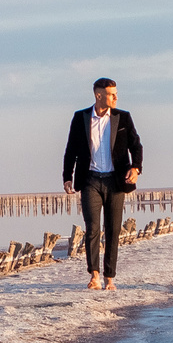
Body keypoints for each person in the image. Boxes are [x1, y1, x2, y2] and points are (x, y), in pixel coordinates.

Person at [61, 77, 142, 290]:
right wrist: (67, 176)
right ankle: (94, 276)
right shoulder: (81, 118)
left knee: (114, 230)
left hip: (116, 181)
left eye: (116, 93)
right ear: (99, 95)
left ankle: (110, 278)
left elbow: (136, 145)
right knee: (93, 228)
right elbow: (70, 149)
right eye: (111, 93)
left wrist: (136, 168)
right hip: (90, 180)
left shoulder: (123, 117)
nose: (116, 97)